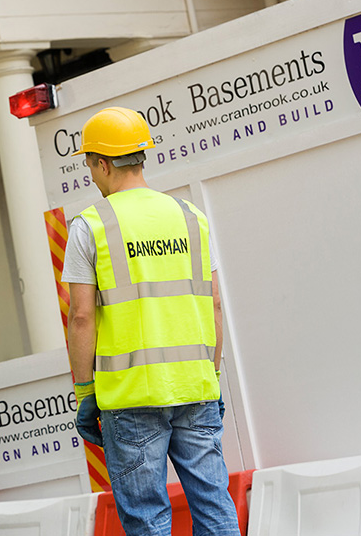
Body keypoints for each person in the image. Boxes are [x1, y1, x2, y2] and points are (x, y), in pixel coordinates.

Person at [62, 107, 240, 536]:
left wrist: (85, 391)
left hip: (131, 397)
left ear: (103, 163)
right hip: (195, 386)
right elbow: (215, 303)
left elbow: (82, 315)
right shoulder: (190, 217)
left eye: (89, 165)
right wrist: (212, 374)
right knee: (214, 505)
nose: (91, 175)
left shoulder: (92, 225)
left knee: (147, 517)